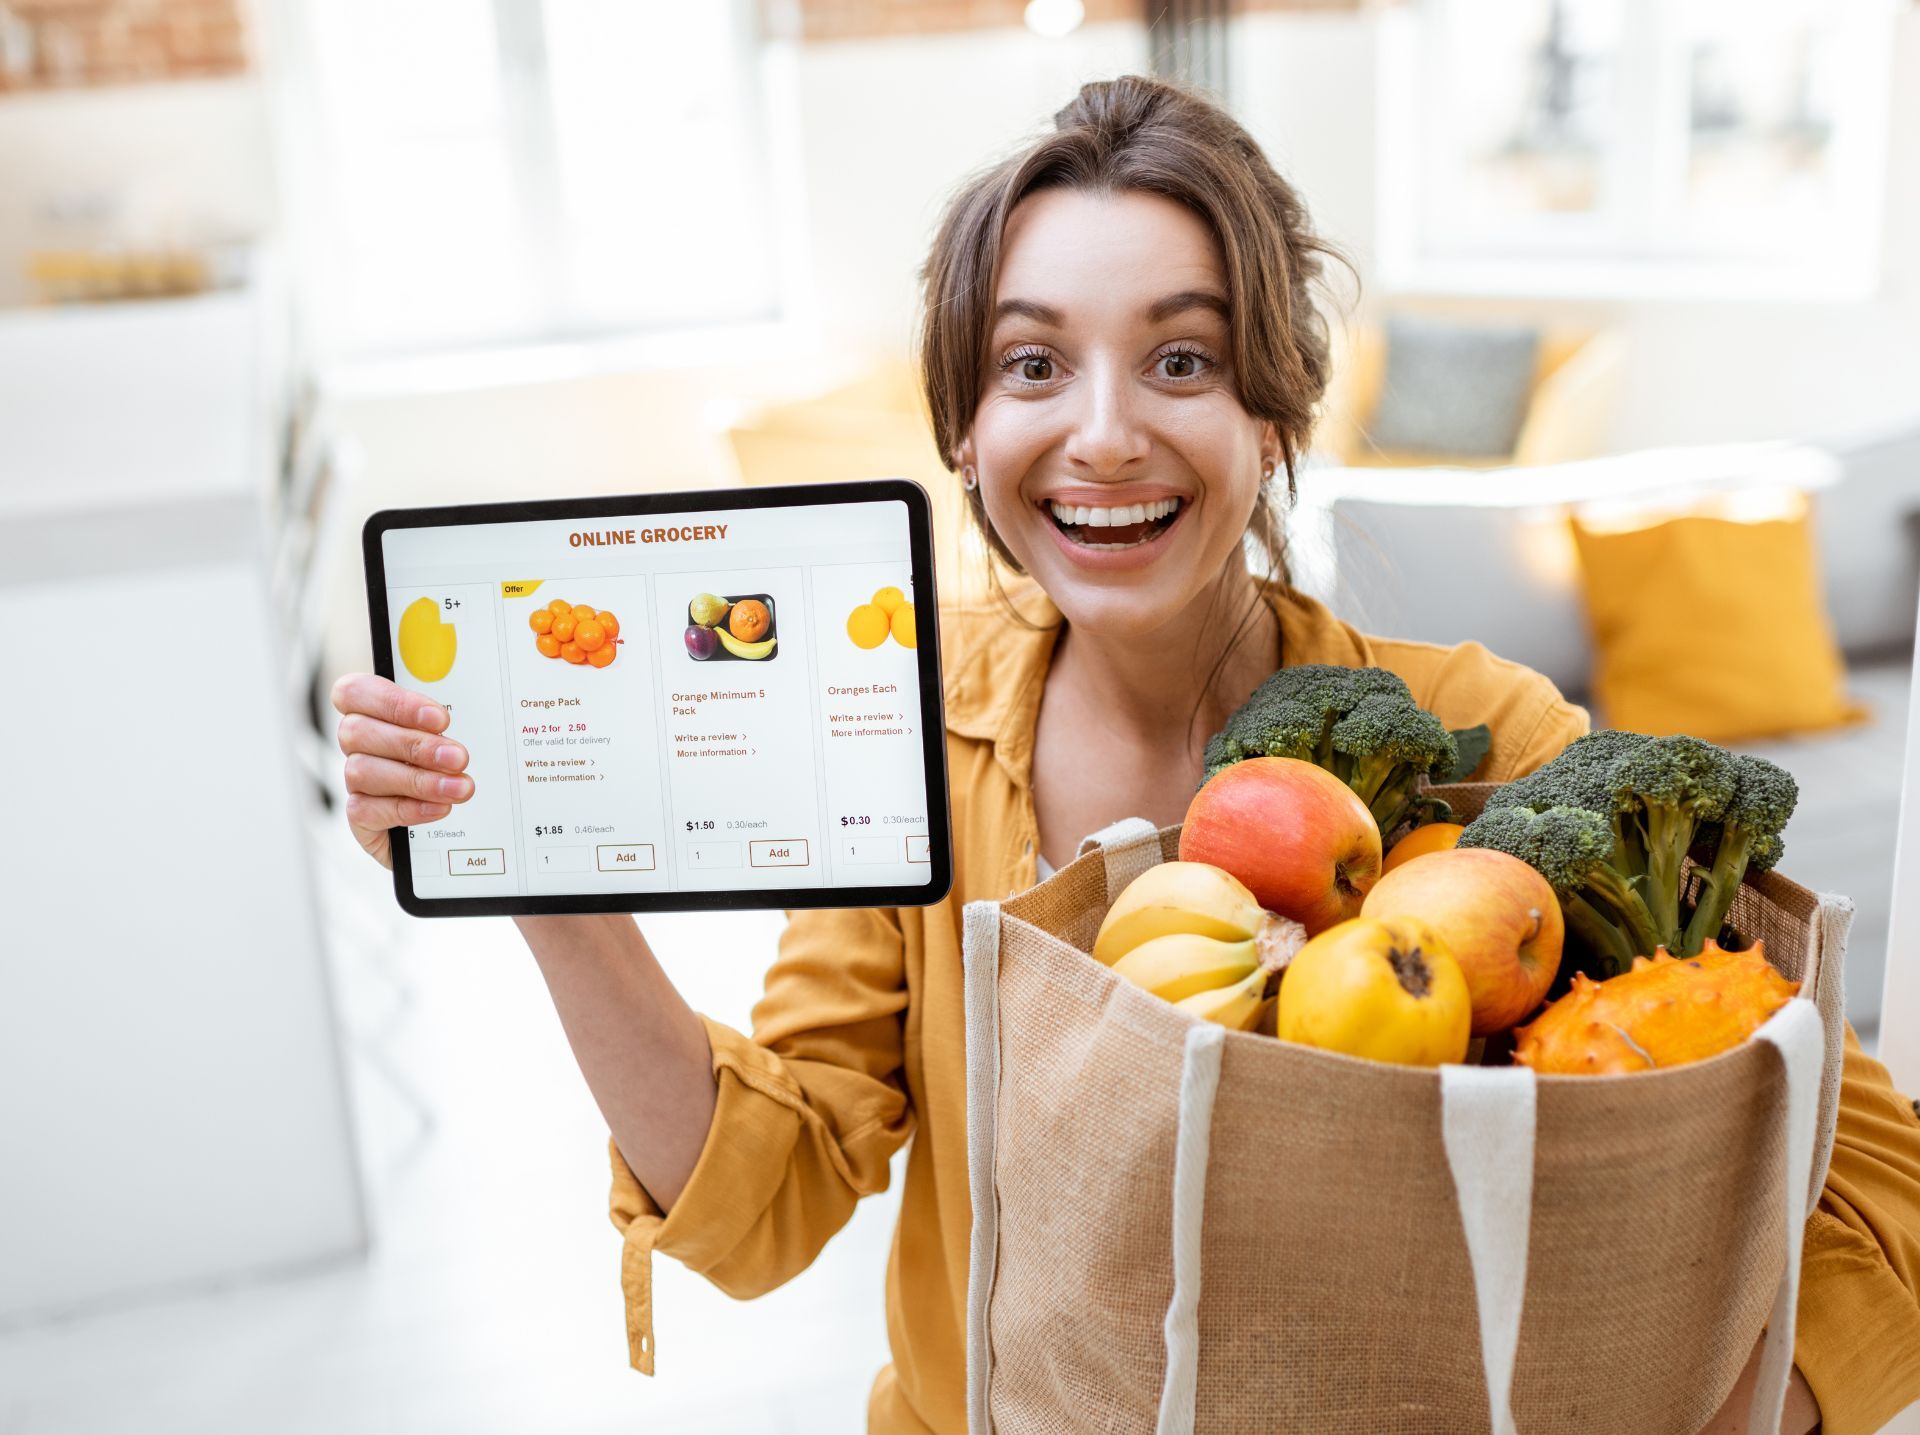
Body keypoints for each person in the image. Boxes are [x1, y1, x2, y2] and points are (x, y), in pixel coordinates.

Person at [331, 76, 1919, 1435]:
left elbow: (1879, 1167)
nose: (1101, 433)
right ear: (963, 432)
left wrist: (1769, 1402)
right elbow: (770, 1197)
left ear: (1275, 420)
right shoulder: (905, 737)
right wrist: (541, 885)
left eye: (1182, 360)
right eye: (1032, 366)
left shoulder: (1481, 747)